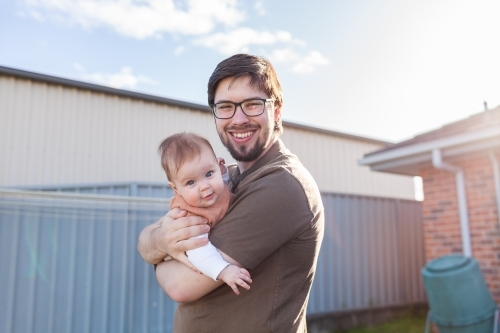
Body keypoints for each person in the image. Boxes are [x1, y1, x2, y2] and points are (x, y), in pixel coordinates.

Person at [138, 53, 324, 333]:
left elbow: (180, 286)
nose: (238, 119)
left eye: (252, 105)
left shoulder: (281, 185)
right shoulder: (225, 180)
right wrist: (162, 240)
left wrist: (162, 254)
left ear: (276, 111)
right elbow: (147, 241)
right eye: (225, 107)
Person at [157, 132, 252, 295]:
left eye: (209, 174)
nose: (204, 186)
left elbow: (224, 184)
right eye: (191, 182)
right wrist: (224, 271)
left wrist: (222, 174)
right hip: (198, 259)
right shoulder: (189, 215)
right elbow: (198, 252)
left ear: (218, 165)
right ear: (175, 189)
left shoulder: (217, 186)